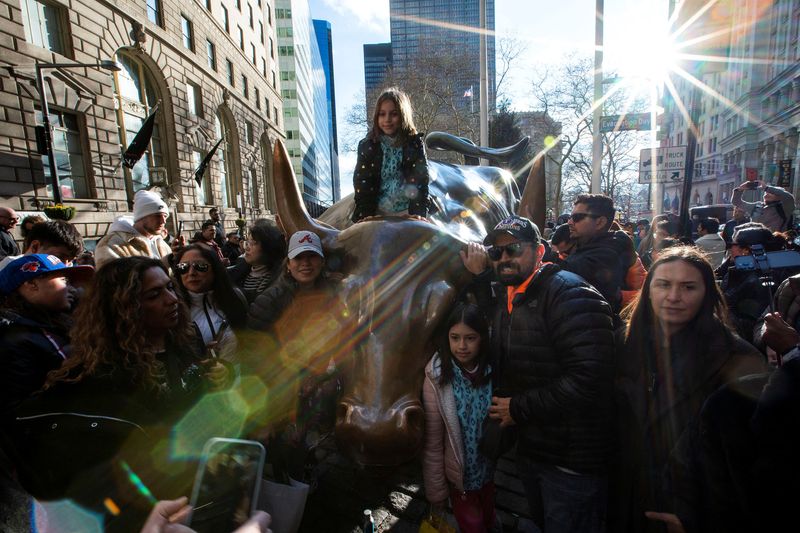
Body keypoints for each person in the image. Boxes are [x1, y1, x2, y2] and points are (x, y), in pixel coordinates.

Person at [11, 257, 231, 529]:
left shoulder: (185, 339)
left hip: (200, 490)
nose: (172, 299)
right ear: (125, 308)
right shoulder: (102, 373)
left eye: (170, 288)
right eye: (154, 294)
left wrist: (221, 375)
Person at [461, 215, 615, 533]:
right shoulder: (516, 296)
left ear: (540, 252)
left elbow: (590, 380)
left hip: (571, 460)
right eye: (496, 251)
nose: (504, 257)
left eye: (513, 248)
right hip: (535, 448)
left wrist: (517, 408)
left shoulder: (570, 295)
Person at [613, 246, 765, 533]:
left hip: (683, 509)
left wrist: (699, 516)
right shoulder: (624, 342)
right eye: (663, 285)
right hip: (625, 498)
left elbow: (747, 459)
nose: (673, 297)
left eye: (688, 287)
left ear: (707, 293)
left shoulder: (736, 359)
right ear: (648, 290)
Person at [247, 230, 346, 481]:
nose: (306, 263)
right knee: (283, 459)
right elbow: (256, 361)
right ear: (288, 264)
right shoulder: (269, 301)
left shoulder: (334, 296)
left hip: (318, 397)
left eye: (312, 257)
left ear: (321, 261)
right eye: (299, 258)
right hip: (281, 398)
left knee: (309, 454)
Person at [422, 303, 496, 533]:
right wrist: (436, 492)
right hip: (460, 480)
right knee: (473, 526)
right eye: (455, 338)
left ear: (482, 338)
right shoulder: (436, 379)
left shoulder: (493, 370)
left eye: (470, 338)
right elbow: (433, 442)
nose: (461, 346)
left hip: (488, 470)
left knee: (489, 515)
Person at [0, 254, 93, 417]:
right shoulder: (15, 341)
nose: (72, 288)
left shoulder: (56, 322)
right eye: (64, 280)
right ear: (32, 284)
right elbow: (18, 411)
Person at [352, 87, 430, 222]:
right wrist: (365, 215)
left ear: (403, 116)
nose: (387, 119)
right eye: (382, 114)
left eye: (393, 114)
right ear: (376, 117)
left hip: (408, 210)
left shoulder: (415, 144)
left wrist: (419, 213)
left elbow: (421, 181)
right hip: (377, 211)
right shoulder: (367, 146)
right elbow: (362, 182)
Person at [173, 243, 247, 363]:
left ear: (215, 269)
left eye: (200, 266)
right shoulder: (173, 309)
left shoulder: (236, 298)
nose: (191, 272)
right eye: (183, 267)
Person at [562, 194, 633, 314]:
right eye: (570, 217)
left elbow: (572, 271)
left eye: (577, 217)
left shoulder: (609, 252)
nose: (569, 222)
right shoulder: (586, 247)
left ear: (600, 222)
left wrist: (536, 251)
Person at [95, 190, 173, 268]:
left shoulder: (161, 243)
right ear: (142, 216)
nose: (163, 221)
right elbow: (112, 278)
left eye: (165, 216)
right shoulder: (111, 244)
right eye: (157, 215)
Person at [228, 220, 286, 304]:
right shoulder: (241, 271)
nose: (247, 248)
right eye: (247, 243)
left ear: (268, 247)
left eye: (253, 243)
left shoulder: (274, 280)